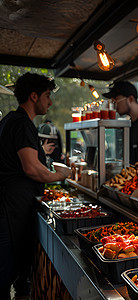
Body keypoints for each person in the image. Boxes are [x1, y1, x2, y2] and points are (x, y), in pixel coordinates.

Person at [0, 73, 71, 299]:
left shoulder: (11, 120)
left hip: (11, 206)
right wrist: (59, 175)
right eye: (47, 96)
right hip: (10, 211)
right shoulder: (21, 123)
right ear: (33, 96)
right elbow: (32, 168)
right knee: (4, 273)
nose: (50, 102)